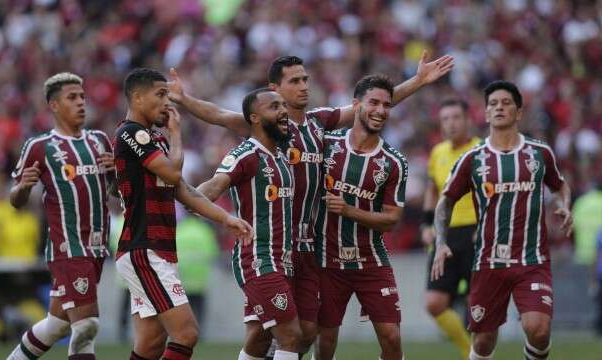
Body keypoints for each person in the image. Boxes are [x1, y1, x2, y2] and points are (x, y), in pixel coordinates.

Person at [168, 53, 452, 357]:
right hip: (269, 246)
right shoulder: (266, 129)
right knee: (274, 335)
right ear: (275, 89)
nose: (304, 86)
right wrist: (184, 99)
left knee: (297, 334)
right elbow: (220, 115)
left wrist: (418, 81)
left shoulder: (319, 122)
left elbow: (370, 104)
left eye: (305, 79)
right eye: (295, 81)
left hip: (308, 249)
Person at [113, 68, 252, 360]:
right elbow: (175, 174)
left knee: (151, 343)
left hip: (157, 249)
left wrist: (226, 219)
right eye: (160, 94)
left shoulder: (154, 140)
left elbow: (185, 191)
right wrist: (176, 135)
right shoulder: (130, 132)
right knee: (186, 333)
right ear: (137, 98)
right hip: (144, 248)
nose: (168, 102)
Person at [432, 80, 573, 360]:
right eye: (493, 104)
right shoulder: (472, 159)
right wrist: (440, 241)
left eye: (506, 103)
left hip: (531, 259)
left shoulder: (539, 153)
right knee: (483, 342)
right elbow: (444, 201)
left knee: (539, 328)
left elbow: (559, 186)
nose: (499, 108)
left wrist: (564, 205)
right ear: (485, 114)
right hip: (488, 262)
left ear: (518, 113)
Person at [7, 72, 116, 360]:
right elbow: (14, 200)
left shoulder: (100, 141)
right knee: (87, 325)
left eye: (82, 96)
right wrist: (23, 187)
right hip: (68, 249)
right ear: (54, 106)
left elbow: (117, 191)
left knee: (57, 325)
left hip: (96, 248)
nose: (81, 102)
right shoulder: (40, 146)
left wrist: (115, 173)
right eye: (72, 98)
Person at [197, 88, 300, 360]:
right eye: (274, 107)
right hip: (259, 259)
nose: (283, 111)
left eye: (283, 105)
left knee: (259, 338)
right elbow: (209, 190)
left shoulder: (281, 154)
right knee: (290, 337)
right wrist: (181, 195)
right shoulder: (245, 155)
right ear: (254, 118)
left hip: (283, 260)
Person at [313, 75, 408, 360]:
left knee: (391, 337)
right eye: (374, 103)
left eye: (387, 105)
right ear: (356, 105)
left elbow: (392, 220)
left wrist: (349, 210)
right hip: (325, 259)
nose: (381, 111)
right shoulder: (325, 144)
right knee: (325, 341)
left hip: (370, 260)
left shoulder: (394, 162)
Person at [420, 99, 480, 358]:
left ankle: (481, 353)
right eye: (445, 119)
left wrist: (487, 225)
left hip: (476, 233)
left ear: (468, 120)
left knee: (479, 306)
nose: (451, 124)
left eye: (456, 117)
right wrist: (426, 224)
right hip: (445, 236)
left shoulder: (482, 150)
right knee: (434, 303)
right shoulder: (438, 152)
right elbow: (433, 189)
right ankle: (470, 352)